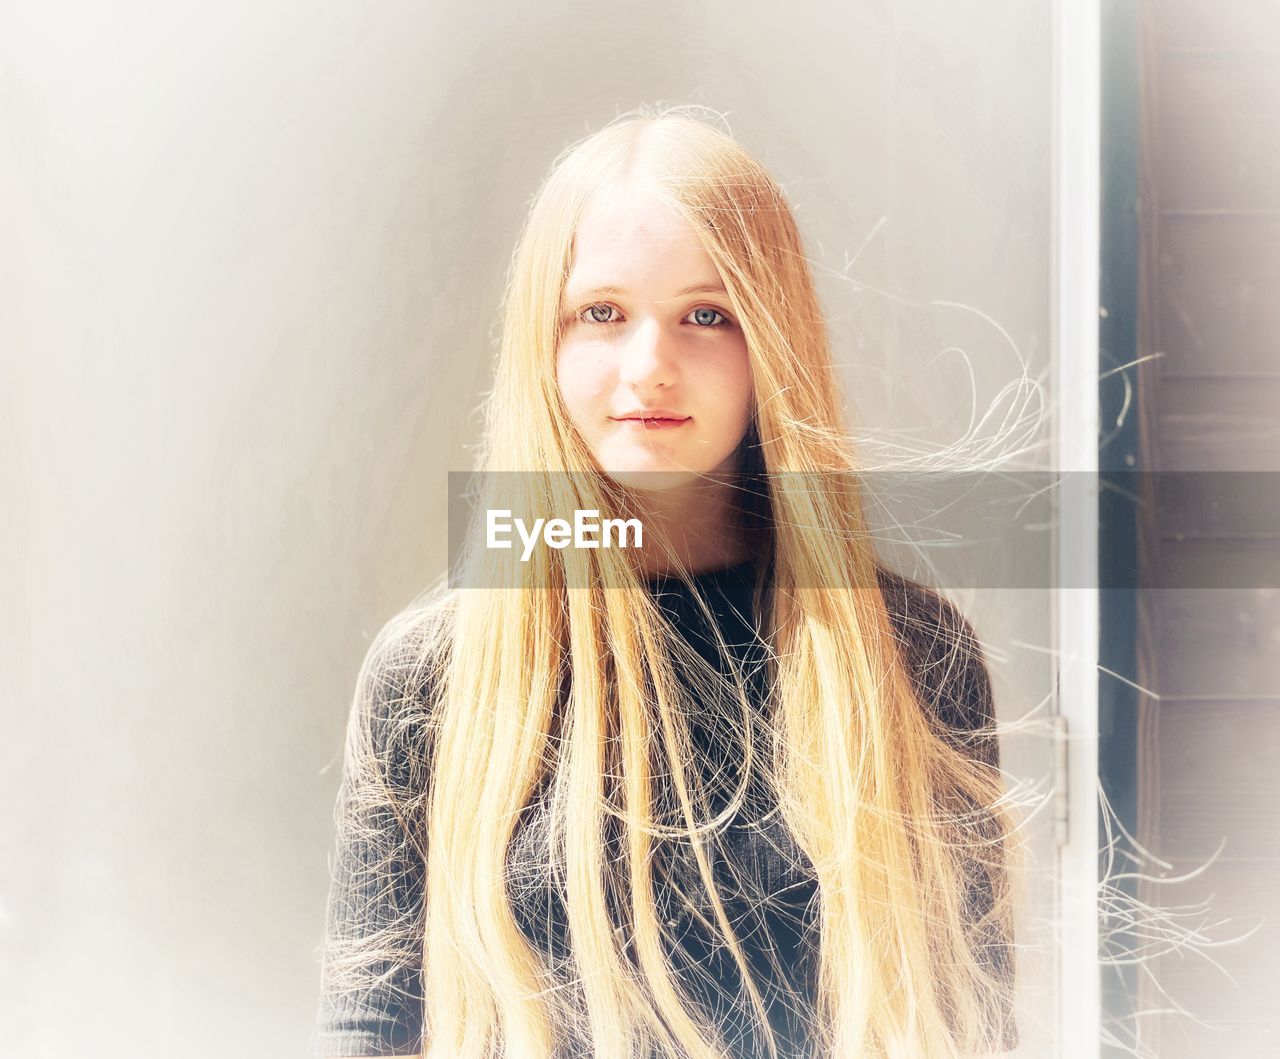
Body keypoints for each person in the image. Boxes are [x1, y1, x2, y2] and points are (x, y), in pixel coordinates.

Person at [314, 107, 1022, 1059]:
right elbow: (367, 1033)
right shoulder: (430, 672)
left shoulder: (914, 652)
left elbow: (976, 1026)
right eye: (601, 311)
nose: (650, 366)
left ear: (772, 340)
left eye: (707, 314)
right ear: (546, 339)